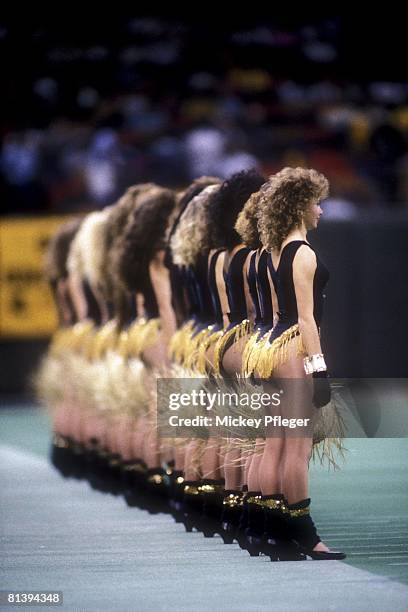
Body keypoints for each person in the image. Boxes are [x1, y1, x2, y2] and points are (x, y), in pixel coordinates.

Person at [255, 167, 345, 560]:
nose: (320, 210)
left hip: (274, 348)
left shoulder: (276, 250)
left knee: (276, 445)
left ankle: (275, 533)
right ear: (298, 206)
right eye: (315, 202)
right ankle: (307, 537)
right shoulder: (303, 253)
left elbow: (276, 312)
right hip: (294, 351)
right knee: (296, 449)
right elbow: (306, 319)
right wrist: (318, 369)